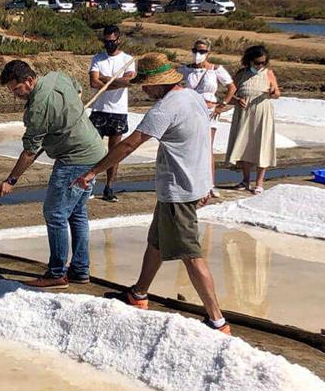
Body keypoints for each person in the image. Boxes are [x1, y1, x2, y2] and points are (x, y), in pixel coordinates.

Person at [73, 53, 231, 334]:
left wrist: (92, 172)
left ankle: (217, 320)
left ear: (160, 83)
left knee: (191, 254)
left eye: (147, 84)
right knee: (156, 242)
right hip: (192, 183)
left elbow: (128, 145)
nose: (144, 89)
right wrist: (208, 181)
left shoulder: (164, 108)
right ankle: (139, 293)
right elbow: (206, 140)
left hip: (179, 191)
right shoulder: (193, 97)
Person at [0, 60, 106, 289]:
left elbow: (30, 151)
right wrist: (65, 114)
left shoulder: (37, 109)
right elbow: (77, 89)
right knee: (76, 213)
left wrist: (11, 180)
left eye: (17, 89)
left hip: (74, 159)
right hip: (94, 151)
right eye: (11, 91)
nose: (16, 95)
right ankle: (79, 270)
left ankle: (56, 273)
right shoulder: (57, 76)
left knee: (55, 214)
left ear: (29, 80)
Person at [177, 37, 236, 199]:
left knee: (207, 147)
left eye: (202, 51)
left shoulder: (216, 69)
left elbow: (231, 87)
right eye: (195, 51)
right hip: (191, 110)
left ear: (208, 52)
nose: (198, 54)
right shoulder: (185, 70)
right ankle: (190, 183)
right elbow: (173, 82)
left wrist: (222, 105)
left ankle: (209, 184)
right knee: (190, 146)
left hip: (210, 111)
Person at [88, 25, 137, 202]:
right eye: (106, 41)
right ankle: (88, 184)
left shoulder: (128, 59)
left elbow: (128, 81)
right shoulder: (98, 58)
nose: (109, 44)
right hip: (99, 110)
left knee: (114, 151)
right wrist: (114, 81)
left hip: (118, 111)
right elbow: (94, 82)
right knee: (92, 148)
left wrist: (106, 79)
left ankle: (109, 187)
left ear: (118, 39)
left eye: (112, 41)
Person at [225, 45, 281, 195]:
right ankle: (245, 179)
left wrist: (273, 92)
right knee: (245, 144)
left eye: (263, 62)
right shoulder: (241, 74)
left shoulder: (268, 73)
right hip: (244, 113)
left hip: (262, 112)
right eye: (257, 62)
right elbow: (230, 94)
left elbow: (277, 93)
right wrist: (236, 100)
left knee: (261, 144)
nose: (260, 65)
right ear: (249, 61)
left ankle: (259, 182)